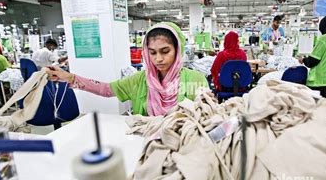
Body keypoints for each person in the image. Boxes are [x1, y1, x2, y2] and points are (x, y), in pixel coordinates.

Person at [45, 22, 209, 116]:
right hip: (145, 145)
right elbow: (107, 89)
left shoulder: (195, 79)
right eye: (152, 53)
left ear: (177, 50)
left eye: (165, 51)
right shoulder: (140, 80)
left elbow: (206, 117)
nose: (158, 58)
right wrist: (70, 78)